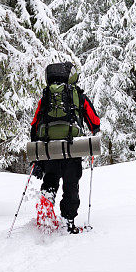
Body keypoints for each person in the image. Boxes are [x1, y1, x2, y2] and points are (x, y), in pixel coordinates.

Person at [30, 62, 100, 233]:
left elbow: (34, 125)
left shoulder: (46, 96)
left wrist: (38, 158)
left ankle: (45, 216)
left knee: (50, 181)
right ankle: (67, 222)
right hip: (72, 149)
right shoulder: (78, 96)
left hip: (50, 149)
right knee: (71, 185)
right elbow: (95, 122)